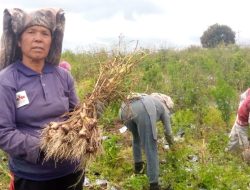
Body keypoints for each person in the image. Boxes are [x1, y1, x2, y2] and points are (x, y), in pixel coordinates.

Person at [0, 8, 83, 190]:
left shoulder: (63, 76)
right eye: (31, 32)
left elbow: (76, 115)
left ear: (51, 41)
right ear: (19, 42)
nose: (38, 38)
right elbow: (3, 132)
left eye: (45, 33)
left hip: (72, 170)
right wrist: (44, 147)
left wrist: (89, 115)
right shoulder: (7, 79)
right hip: (33, 177)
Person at [119, 92, 174, 190]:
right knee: (151, 146)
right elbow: (168, 132)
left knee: (136, 138)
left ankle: (138, 168)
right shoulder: (162, 107)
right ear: (167, 104)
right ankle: (154, 185)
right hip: (143, 109)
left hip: (124, 110)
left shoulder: (146, 98)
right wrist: (173, 146)